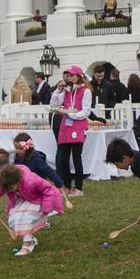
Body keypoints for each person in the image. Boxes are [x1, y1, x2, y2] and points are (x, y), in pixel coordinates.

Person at [0, 162, 65, 256]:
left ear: (17, 181)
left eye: (10, 188)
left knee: (26, 218)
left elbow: (49, 190)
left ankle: (28, 244)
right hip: (27, 199)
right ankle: (31, 238)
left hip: (43, 199)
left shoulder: (31, 181)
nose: (8, 190)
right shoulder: (7, 183)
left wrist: (46, 209)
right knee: (15, 217)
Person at [52, 65, 92, 196]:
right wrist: (58, 90)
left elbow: (86, 111)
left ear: (79, 76)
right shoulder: (67, 91)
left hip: (78, 126)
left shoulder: (86, 91)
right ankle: (67, 185)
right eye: (68, 75)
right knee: (63, 158)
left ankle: (79, 188)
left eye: (72, 75)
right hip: (66, 126)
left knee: (76, 158)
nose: (70, 78)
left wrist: (71, 114)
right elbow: (54, 105)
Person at [11, 132, 71, 208]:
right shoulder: (18, 157)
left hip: (37, 186)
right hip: (24, 186)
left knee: (37, 207)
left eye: (19, 148)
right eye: (15, 148)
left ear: (27, 147)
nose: (17, 151)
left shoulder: (36, 160)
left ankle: (43, 215)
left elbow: (48, 171)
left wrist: (58, 182)